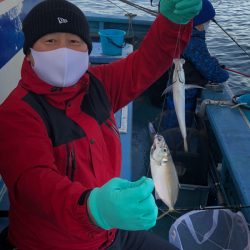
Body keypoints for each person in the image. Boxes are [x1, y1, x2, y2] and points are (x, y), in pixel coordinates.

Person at [0, 0, 202, 249]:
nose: (64, 50)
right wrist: (94, 207)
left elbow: (145, 63)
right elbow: (35, 183)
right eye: (50, 41)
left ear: (87, 49)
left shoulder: (97, 85)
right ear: (30, 53)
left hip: (110, 231)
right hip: (53, 241)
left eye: (74, 42)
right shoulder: (16, 112)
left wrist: (172, 23)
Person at [164, 0, 230, 129]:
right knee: (178, 117)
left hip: (176, 82)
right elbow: (210, 70)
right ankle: (172, 137)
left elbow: (201, 59)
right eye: (207, 22)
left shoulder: (181, 33)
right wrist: (223, 74)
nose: (207, 25)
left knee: (173, 110)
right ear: (198, 24)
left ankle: (170, 131)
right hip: (185, 90)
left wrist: (214, 63)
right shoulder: (194, 41)